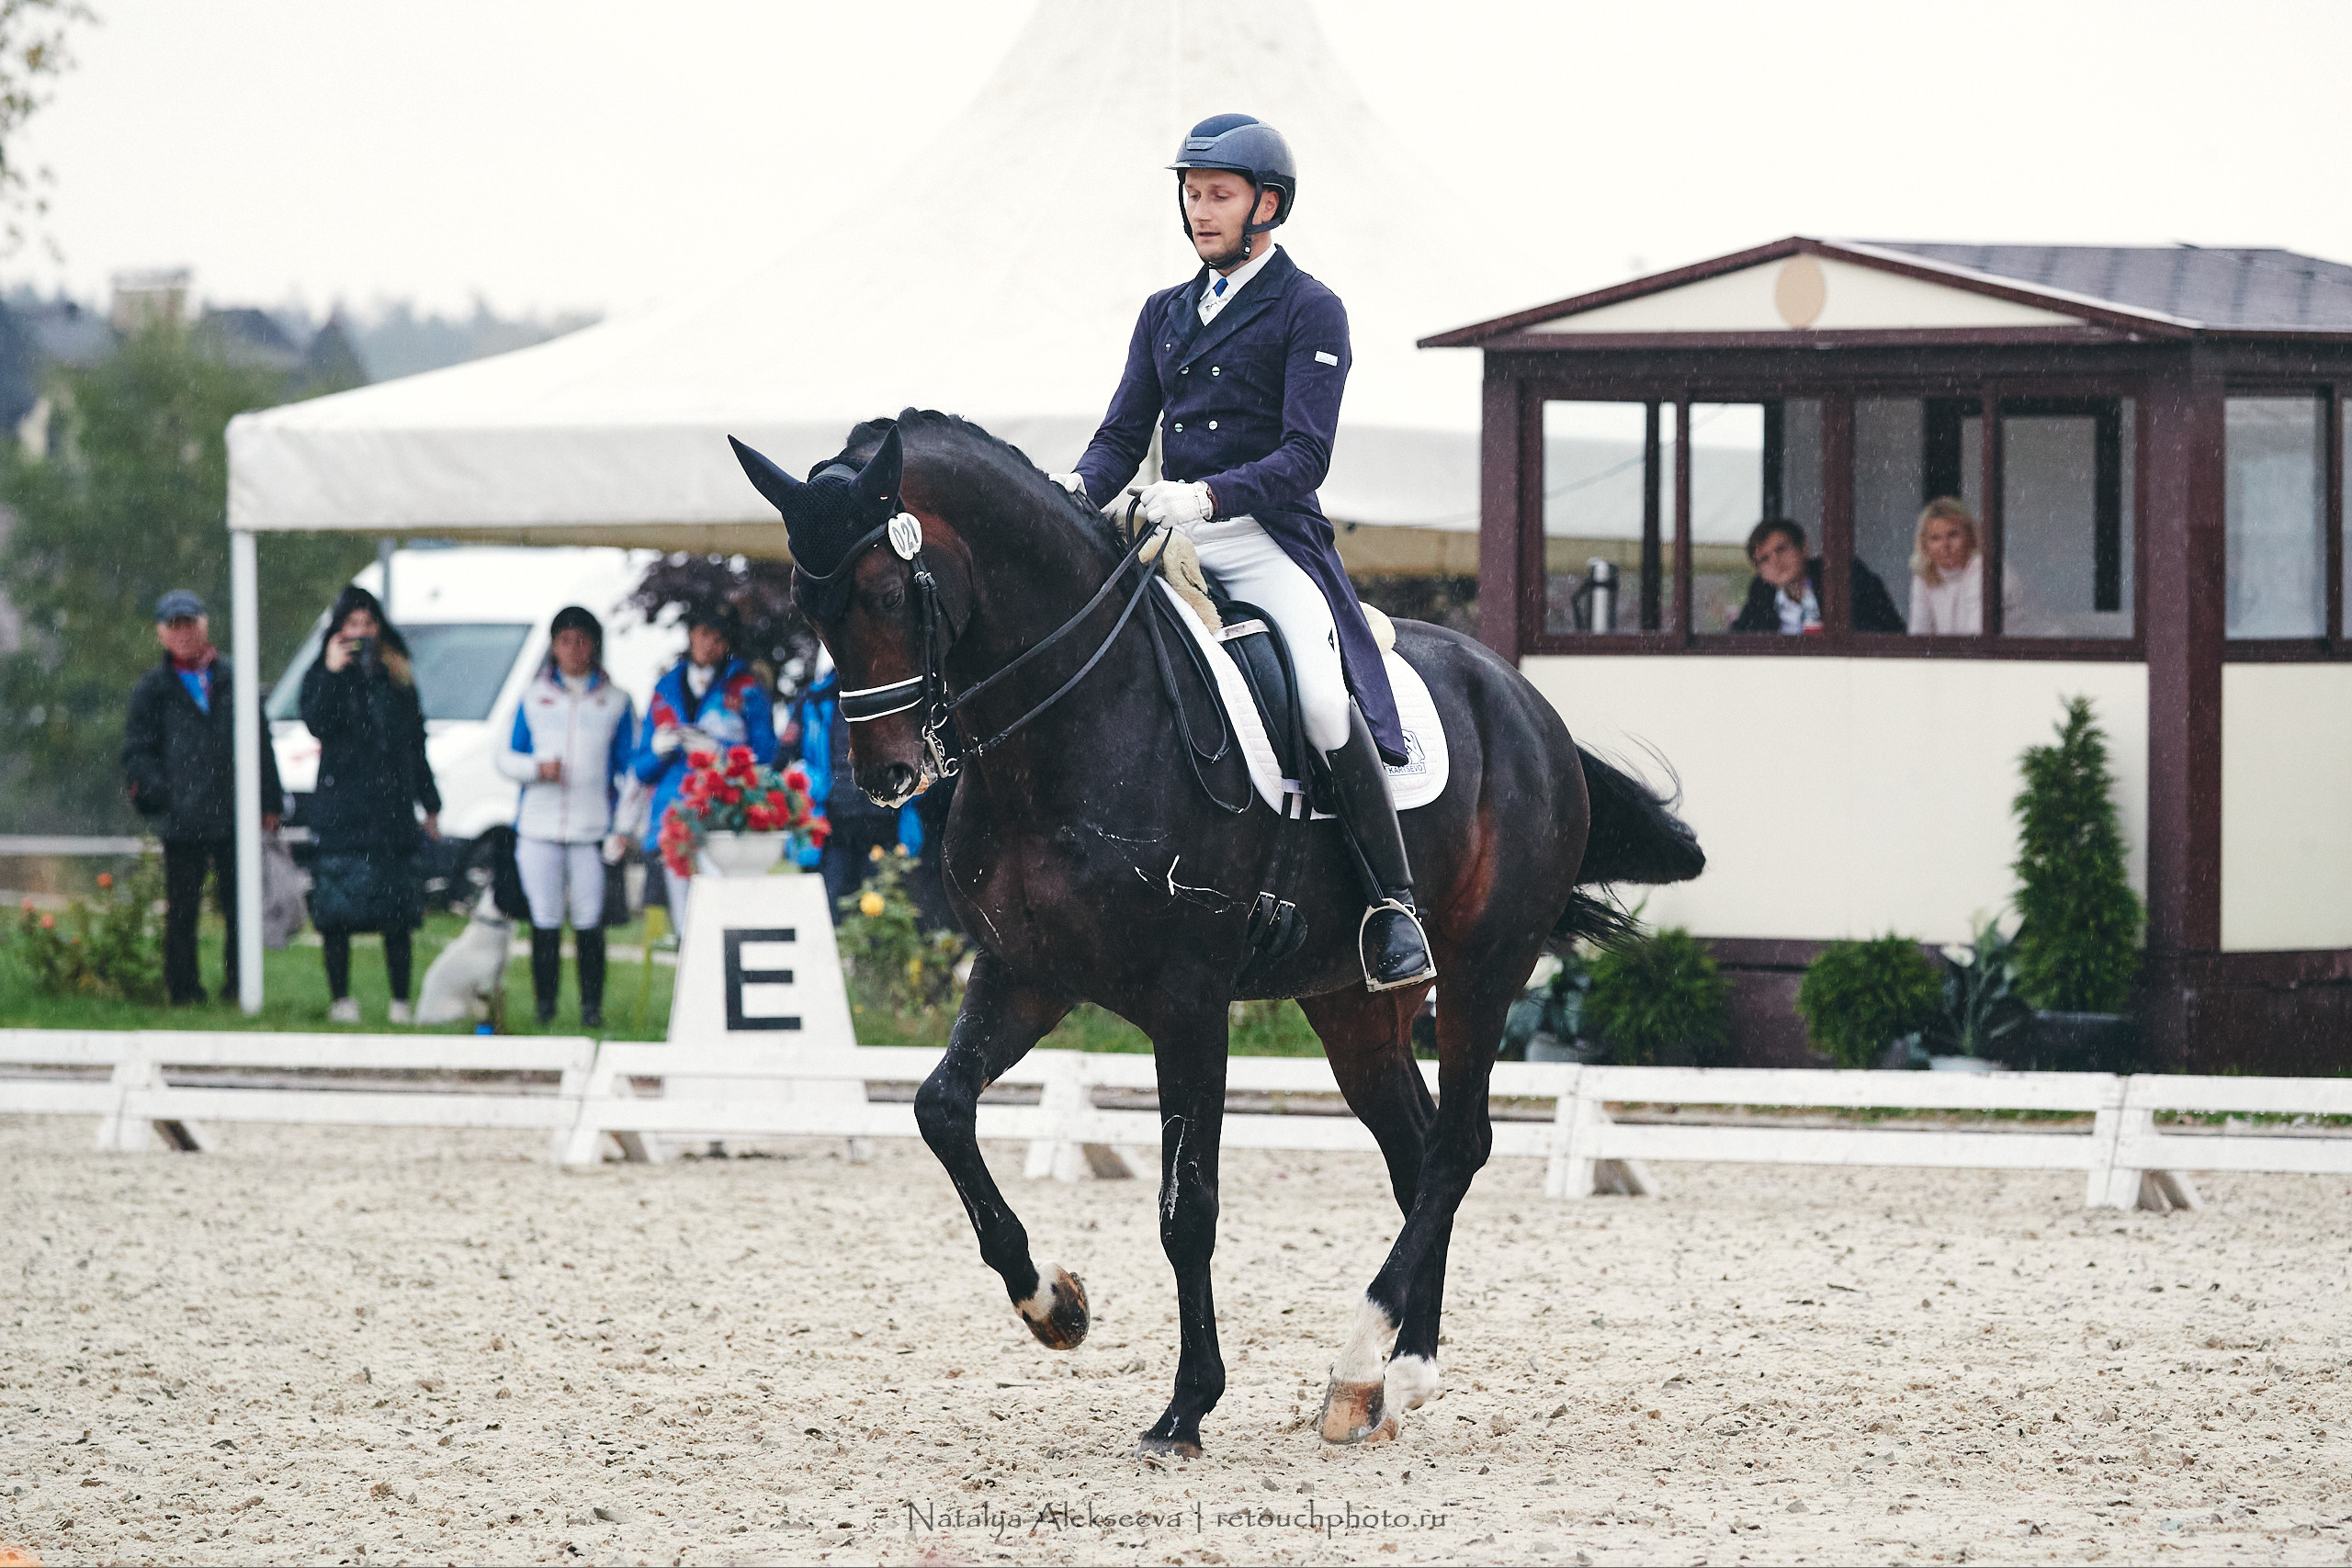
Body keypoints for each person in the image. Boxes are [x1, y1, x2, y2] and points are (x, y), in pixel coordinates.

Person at [1053, 112, 1431, 991]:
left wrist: (1209, 495)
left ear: (1268, 205)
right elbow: (1120, 434)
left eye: (1218, 194)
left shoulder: (1309, 307)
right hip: (1170, 535)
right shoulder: (1164, 313)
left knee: (1326, 706)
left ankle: (1392, 906)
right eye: (1191, 193)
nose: (1200, 210)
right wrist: (1076, 489)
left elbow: (1307, 455)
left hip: (1262, 536)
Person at [121, 589, 285, 1006]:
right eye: (174, 626)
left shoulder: (233, 680)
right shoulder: (153, 689)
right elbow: (137, 750)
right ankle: (184, 991)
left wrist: (269, 802)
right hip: (183, 817)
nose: (183, 634)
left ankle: (238, 987)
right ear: (161, 633)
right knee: (182, 911)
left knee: (239, 908)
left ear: (205, 625)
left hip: (234, 813)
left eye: (189, 624)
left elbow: (260, 743)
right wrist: (159, 792)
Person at [299, 584, 440, 1023]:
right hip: (342, 812)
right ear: (337, 630)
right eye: (352, 624)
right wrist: (331, 674)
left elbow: (416, 745)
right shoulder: (323, 675)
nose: (361, 632)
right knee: (336, 912)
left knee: (397, 912)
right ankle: (341, 999)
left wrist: (430, 804)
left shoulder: (397, 679)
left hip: (391, 813)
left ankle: (400, 1001)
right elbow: (318, 724)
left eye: (368, 623)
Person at [496, 605, 636, 1027]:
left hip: (590, 826)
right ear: (553, 647)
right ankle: (546, 1007)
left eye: (582, 640)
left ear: (594, 645)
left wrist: (624, 827)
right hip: (538, 825)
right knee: (545, 916)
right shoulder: (531, 697)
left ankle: (591, 1008)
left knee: (590, 918)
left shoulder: (616, 701)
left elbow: (631, 769)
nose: (574, 649)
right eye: (565, 640)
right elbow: (504, 756)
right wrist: (536, 768)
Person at [628, 606, 775, 931]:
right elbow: (640, 769)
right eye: (704, 634)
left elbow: (766, 757)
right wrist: (658, 752)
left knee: (725, 910)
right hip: (674, 816)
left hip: (724, 813)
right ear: (691, 634)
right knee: (686, 918)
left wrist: (722, 756)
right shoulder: (665, 688)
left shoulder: (747, 688)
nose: (710, 644)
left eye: (719, 638)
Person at [786, 646, 927, 911]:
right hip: (832, 827)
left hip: (885, 822)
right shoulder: (813, 699)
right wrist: (810, 782)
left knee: (883, 913)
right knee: (828, 911)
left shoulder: (890, 692)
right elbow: (786, 757)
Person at [1730, 519, 1906, 634]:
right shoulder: (1761, 593)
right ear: (1760, 572)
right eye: (1764, 559)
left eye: (1781, 549)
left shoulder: (1840, 575)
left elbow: (1889, 632)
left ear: (1804, 549)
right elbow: (1738, 642)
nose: (1775, 562)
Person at [1906, 496, 2030, 637]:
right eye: (1935, 538)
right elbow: (1918, 636)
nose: (1945, 545)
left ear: (1970, 536)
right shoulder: (1924, 575)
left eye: (1953, 535)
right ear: (1924, 545)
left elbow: (1976, 640)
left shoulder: (1985, 568)